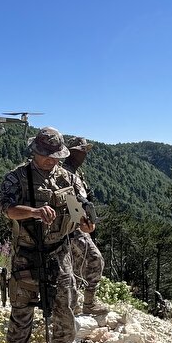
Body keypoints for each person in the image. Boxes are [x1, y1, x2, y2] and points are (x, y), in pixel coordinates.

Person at [0, 127, 95, 343]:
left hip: (59, 256)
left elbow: (82, 211)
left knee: (66, 313)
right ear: (35, 152)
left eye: (55, 156)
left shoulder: (68, 178)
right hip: (26, 258)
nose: (51, 161)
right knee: (21, 319)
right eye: (45, 156)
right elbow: (5, 208)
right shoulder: (16, 177)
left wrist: (87, 224)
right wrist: (33, 211)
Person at [63, 135, 108, 317]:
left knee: (76, 267)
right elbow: (70, 203)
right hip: (72, 228)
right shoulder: (66, 173)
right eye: (82, 151)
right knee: (94, 260)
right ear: (72, 152)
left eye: (85, 151)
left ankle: (76, 305)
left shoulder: (76, 172)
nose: (84, 155)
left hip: (77, 227)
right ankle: (83, 305)